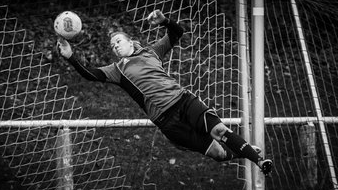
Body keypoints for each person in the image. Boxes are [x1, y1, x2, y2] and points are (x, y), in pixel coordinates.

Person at [57, 10, 273, 176]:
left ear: (130, 41)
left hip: (184, 101)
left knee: (219, 131)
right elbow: (89, 74)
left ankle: (259, 161)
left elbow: (177, 32)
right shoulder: (117, 70)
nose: (115, 46)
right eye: (112, 45)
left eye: (118, 41)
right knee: (219, 154)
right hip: (166, 121)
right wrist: (70, 56)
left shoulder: (151, 52)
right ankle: (245, 151)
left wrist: (164, 21)